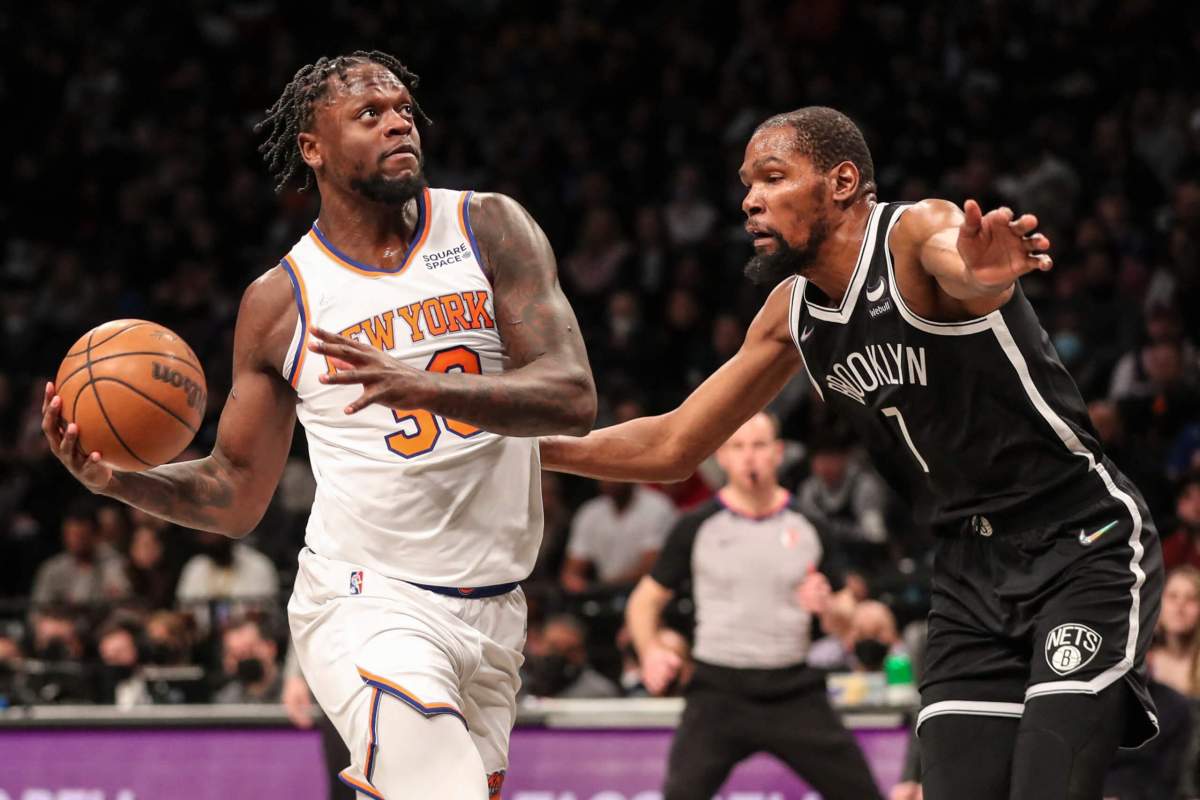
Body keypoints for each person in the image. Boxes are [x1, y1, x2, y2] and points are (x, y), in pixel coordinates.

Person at [542, 106, 1163, 799]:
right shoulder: (790, 314)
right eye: (746, 184)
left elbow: (964, 269)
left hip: (1080, 539)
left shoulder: (914, 234)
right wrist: (525, 451)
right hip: (967, 566)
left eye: (773, 178)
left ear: (842, 182)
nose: (750, 199)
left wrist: (987, 276)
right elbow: (670, 445)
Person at [42, 50, 595, 799]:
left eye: (403, 107)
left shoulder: (488, 227)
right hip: (367, 599)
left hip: (496, 609)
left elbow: (571, 394)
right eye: (369, 114)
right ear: (313, 148)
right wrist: (120, 481)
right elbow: (236, 494)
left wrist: (417, 386)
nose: (398, 121)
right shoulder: (282, 302)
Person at [624, 412, 882, 800]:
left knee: (864, 794)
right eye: (737, 447)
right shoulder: (696, 526)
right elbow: (644, 601)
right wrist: (650, 652)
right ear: (722, 457)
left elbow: (846, 619)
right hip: (717, 693)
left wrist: (827, 604)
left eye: (759, 446)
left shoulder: (810, 524)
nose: (749, 458)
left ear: (777, 453)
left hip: (794, 690)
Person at [559, 480, 678, 594]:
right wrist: (577, 584)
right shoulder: (590, 511)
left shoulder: (657, 506)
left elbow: (651, 567)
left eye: (613, 475)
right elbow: (572, 569)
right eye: (604, 476)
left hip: (645, 589)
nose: (609, 481)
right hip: (602, 593)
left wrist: (603, 587)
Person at [30, 497, 130, 609]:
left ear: (95, 535)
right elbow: (38, 610)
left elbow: (122, 602)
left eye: (80, 536)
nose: (74, 541)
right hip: (63, 622)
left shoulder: (114, 564)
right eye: (70, 535)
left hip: (103, 622)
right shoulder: (53, 568)